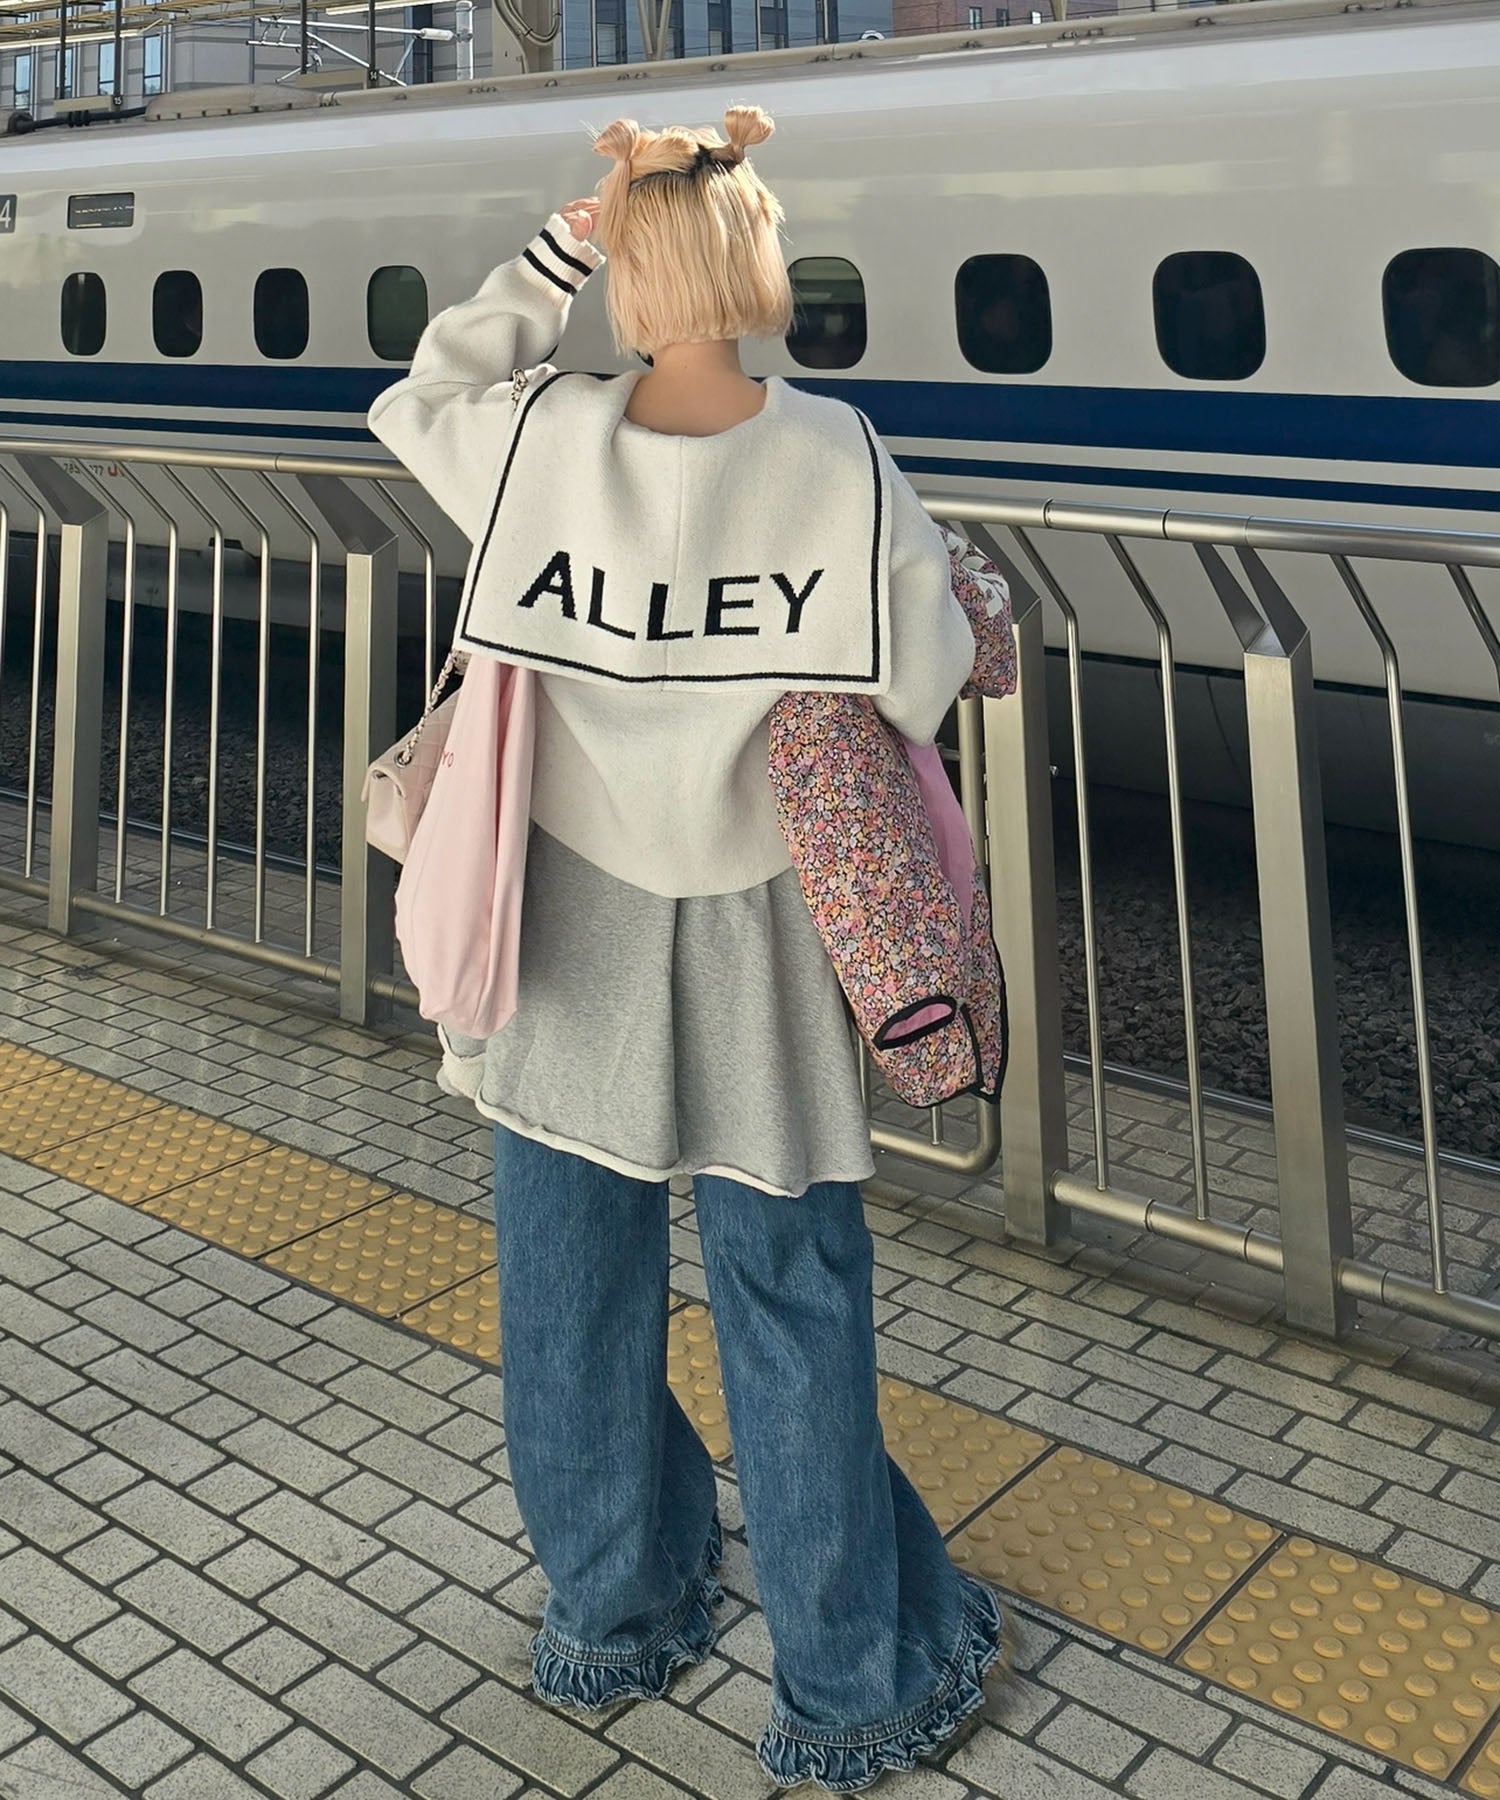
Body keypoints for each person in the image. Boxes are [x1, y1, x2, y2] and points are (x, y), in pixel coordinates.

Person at [366, 103, 1004, 1793]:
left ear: (627, 278)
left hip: (563, 915)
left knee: (566, 1290)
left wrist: (560, 245)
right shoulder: (837, 454)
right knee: (790, 1300)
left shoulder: (541, 438)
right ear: (756, 263)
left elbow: (416, 395)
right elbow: (919, 678)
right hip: (763, 933)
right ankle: (849, 1690)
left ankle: (613, 1616)